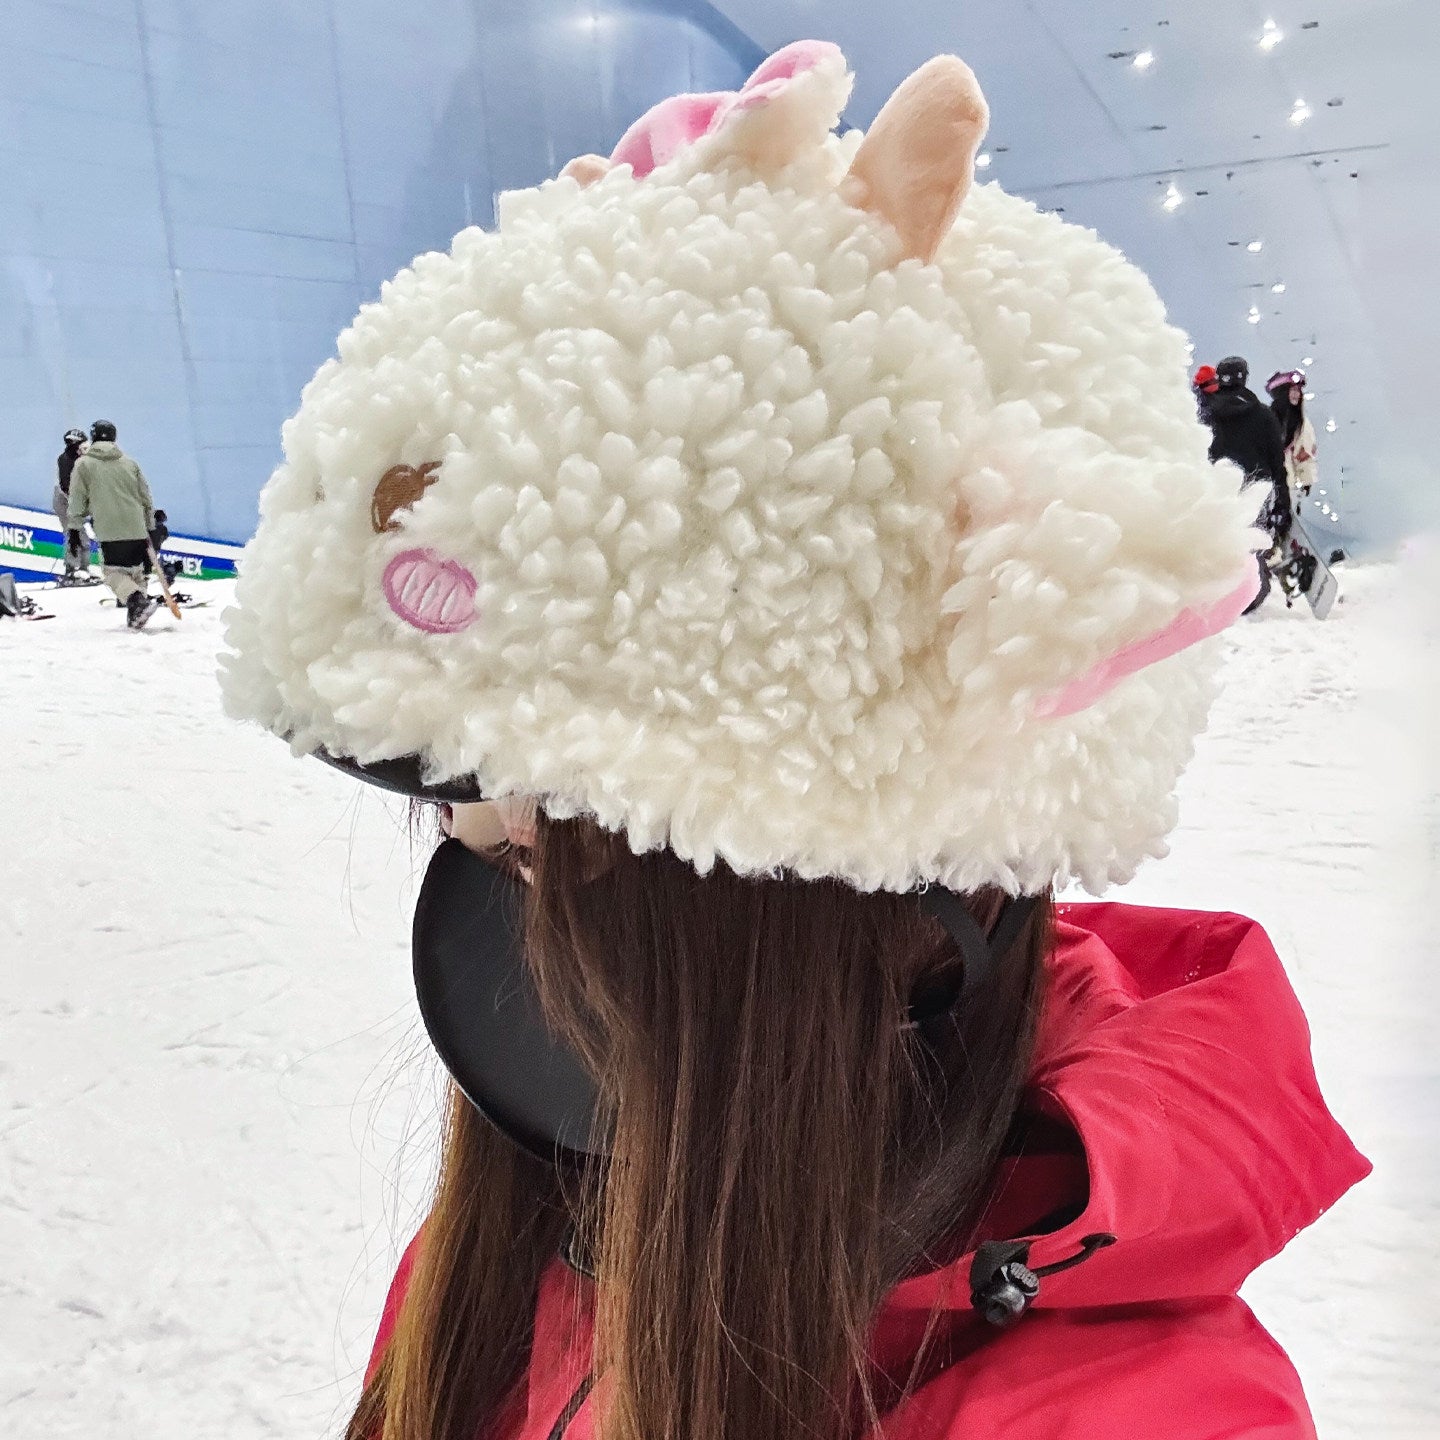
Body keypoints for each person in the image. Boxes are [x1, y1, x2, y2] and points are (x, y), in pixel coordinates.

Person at [221, 43, 1365, 1440]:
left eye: (559, 836)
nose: (504, 909)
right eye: (478, 829)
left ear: (895, 899)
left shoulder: (1147, 1415)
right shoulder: (529, 1245)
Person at [1202, 356, 1291, 611]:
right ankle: (1251, 595)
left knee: (1221, 543)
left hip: (1218, 488)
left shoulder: (1205, 416)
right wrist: (1282, 499)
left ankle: (1219, 595)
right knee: (1252, 543)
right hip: (1256, 490)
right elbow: (1276, 461)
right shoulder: (1263, 415)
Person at [66, 420, 160, 628]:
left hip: (110, 528)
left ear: (93, 437)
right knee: (135, 572)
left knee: (113, 573)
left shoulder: (84, 464)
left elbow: (78, 498)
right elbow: (146, 498)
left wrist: (74, 527)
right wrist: (150, 526)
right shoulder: (130, 463)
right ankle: (137, 613)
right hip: (136, 527)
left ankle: (136, 601)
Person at [1266, 369, 1319, 499]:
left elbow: (1305, 454)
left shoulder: (1302, 425)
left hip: (1286, 487)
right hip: (1264, 486)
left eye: (1298, 391)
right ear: (1282, 393)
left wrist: (1307, 480)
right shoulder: (1264, 419)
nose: (1296, 394)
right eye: (1293, 390)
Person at [52, 429, 93, 582]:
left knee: (81, 537)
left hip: (76, 501)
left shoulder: (83, 459)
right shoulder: (65, 460)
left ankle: (82, 569)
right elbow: (66, 487)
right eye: (82, 445)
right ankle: (73, 569)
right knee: (75, 535)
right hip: (65, 502)